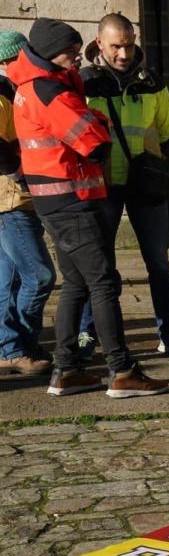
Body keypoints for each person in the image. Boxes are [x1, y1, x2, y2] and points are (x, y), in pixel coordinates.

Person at [8, 18, 167, 397]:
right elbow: (94, 143)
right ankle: (122, 370)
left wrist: (89, 114)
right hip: (72, 201)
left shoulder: (32, 85)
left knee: (77, 284)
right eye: (71, 52)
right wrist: (97, 119)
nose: (77, 57)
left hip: (55, 201)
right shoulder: (49, 90)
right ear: (51, 53)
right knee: (103, 282)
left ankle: (67, 370)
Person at [75, 13, 169, 359]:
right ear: (99, 43)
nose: (124, 54)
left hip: (145, 183)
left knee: (159, 263)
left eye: (129, 46)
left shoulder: (152, 82)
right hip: (101, 185)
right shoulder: (83, 82)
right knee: (98, 266)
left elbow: (167, 128)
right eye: (116, 46)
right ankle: (88, 333)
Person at [0, 30, 55, 376]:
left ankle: (11, 348)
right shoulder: (3, 93)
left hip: (15, 199)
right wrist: (20, 174)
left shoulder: (13, 90)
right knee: (39, 276)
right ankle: (19, 345)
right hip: (12, 200)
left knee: (10, 281)